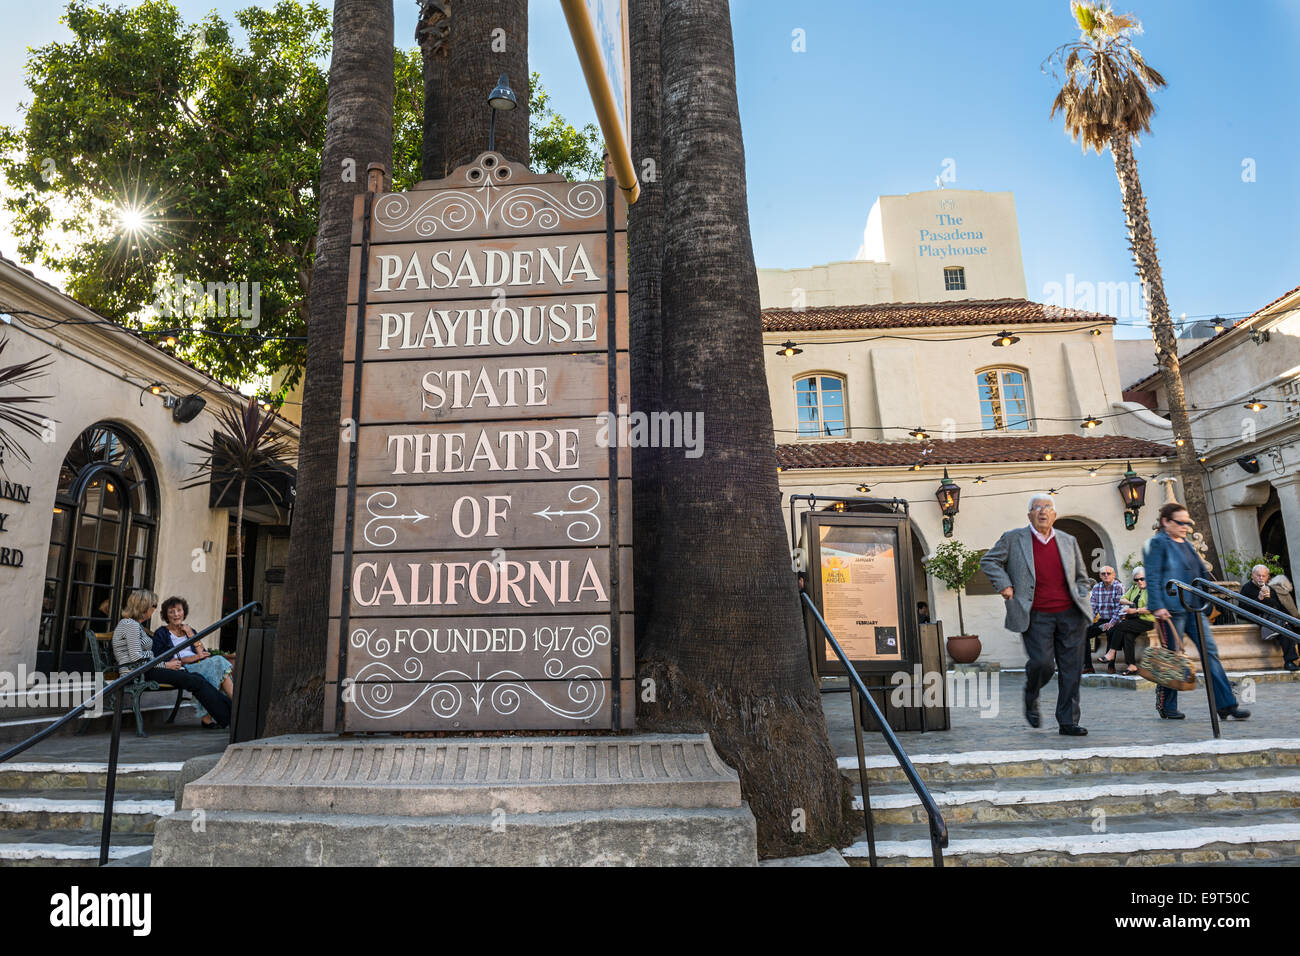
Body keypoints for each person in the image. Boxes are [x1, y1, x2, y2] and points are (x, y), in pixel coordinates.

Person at [980, 493, 1093, 736]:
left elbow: (1082, 577)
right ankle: (1031, 694)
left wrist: (1083, 594)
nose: (1043, 511)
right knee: (1042, 664)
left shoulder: (1068, 540)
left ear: (1054, 514)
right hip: (1036, 614)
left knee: (1071, 670)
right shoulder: (1014, 538)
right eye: (1037, 507)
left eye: (1048, 507)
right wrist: (1004, 585)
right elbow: (989, 561)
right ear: (1029, 514)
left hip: (1071, 614)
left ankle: (1068, 721)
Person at [1144, 502, 1250, 721]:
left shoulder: (1186, 544)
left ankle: (1226, 704)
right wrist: (1157, 606)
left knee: (1210, 654)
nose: (1185, 526)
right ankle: (1167, 705)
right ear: (1166, 522)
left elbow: (1201, 573)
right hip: (1171, 610)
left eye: (1187, 523)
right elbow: (1152, 576)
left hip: (1194, 607)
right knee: (1172, 659)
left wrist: (1208, 597)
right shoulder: (1158, 544)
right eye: (1180, 522)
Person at [111, 589, 232, 729]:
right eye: (153, 606)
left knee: (196, 678)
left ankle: (228, 714)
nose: (153, 610)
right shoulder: (129, 625)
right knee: (195, 680)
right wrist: (164, 665)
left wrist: (160, 662)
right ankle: (229, 716)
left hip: (146, 669)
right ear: (143, 607)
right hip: (137, 673)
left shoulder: (134, 625)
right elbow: (136, 657)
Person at [152, 596, 234, 727]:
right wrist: (193, 658)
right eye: (171, 611)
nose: (176, 614)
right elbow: (164, 659)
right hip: (183, 668)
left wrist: (191, 635)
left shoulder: (189, 630)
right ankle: (235, 703)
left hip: (200, 664)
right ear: (166, 615)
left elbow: (203, 653)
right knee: (218, 663)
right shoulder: (161, 633)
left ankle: (211, 716)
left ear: (184, 612)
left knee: (216, 665)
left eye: (179, 610)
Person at [1240, 565, 1300, 671]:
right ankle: (1289, 661)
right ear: (1253, 575)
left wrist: (1293, 620)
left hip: (1275, 616)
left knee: (1296, 626)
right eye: (1258, 575)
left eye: (1264, 576)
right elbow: (1243, 609)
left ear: (1268, 577)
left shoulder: (1270, 589)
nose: (1261, 578)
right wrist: (1259, 598)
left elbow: (1278, 606)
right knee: (1285, 628)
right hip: (1260, 617)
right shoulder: (1247, 588)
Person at [1098, 567, 1153, 674]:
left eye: (1142, 579)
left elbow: (1152, 608)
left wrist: (1135, 610)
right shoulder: (1134, 588)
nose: (1139, 582)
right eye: (1136, 580)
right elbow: (1121, 599)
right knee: (1127, 636)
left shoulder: (1152, 589)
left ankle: (1111, 652)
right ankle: (1131, 665)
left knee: (1119, 626)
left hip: (1148, 620)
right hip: (1134, 620)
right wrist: (1129, 604)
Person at [1086, 566, 1125, 674]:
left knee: (1111, 632)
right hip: (1103, 620)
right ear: (1100, 576)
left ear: (1114, 575)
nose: (1106, 575)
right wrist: (1087, 622)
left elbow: (1120, 609)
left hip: (1116, 620)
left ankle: (1111, 666)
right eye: (1103, 573)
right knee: (1083, 633)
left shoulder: (1119, 587)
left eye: (1108, 573)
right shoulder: (1096, 588)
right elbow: (1093, 608)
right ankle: (1088, 666)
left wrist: (1111, 623)